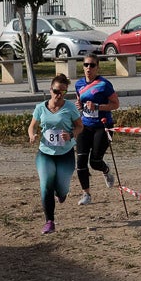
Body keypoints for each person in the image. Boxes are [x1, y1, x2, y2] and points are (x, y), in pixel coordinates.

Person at [28, 74, 83, 235]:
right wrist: (32, 135)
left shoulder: (70, 108)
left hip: (65, 154)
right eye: (57, 91)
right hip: (45, 153)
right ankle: (49, 222)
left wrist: (71, 134)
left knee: (62, 188)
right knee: (46, 185)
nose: (59, 95)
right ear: (50, 90)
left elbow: (80, 126)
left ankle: (61, 193)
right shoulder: (40, 108)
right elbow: (32, 126)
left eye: (63, 92)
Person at [75, 56, 120, 205]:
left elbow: (115, 104)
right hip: (85, 126)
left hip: (102, 126)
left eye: (92, 65)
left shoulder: (104, 84)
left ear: (97, 67)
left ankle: (106, 170)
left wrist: (97, 107)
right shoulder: (79, 84)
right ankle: (86, 194)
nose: (89, 68)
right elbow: (81, 102)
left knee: (94, 162)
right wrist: (80, 106)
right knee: (80, 161)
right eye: (86, 65)